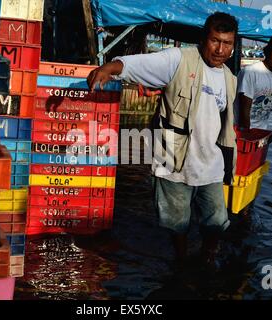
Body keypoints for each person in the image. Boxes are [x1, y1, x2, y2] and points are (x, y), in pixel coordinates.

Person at [87, 12, 239, 269]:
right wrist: (109, 68)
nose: (220, 49)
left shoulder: (230, 79)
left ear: (233, 46)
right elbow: (138, 64)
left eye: (227, 43)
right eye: (215, 41)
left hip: (211, 163)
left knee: (216, 221)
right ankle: (180, 263)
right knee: (176, 222)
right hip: (173, 160)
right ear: (204, 39)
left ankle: (207, 258)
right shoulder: (179, 60)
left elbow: (226, 125)